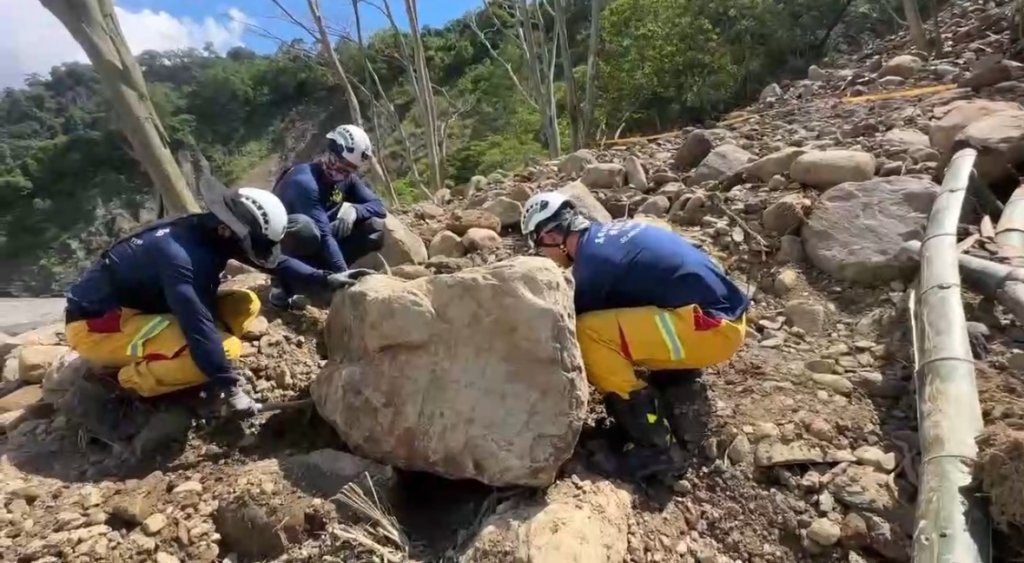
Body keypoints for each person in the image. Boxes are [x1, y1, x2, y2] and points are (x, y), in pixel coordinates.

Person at [64, 178, 372, 417]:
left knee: (246, 304)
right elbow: (196, 322)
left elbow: (273, 262)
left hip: (150, 304)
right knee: (225, 349)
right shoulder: (182, 259)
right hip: (99, 325)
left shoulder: (210, 230)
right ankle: (125, 381)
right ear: (229, 229)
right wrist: (228, 385)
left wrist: (325, 278)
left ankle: (190, 359)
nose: (251, 252)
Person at [521, 192, 750, 480]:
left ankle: (655, 448)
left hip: (712, 332)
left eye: (541, 247)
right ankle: (673, 379)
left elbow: (568, 326)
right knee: (616, 321)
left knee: (587, 334)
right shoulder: (610, 235)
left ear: (552, 237)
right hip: (724, 317)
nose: (546, 255)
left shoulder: (592, 266)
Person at [270, 124, 387, 309]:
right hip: (286, 246)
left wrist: (355, 210)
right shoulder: (304, 182)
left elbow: (378, 206)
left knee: (374, 227)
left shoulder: (347, 179)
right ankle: (284, 286)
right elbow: (324, 235)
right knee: (306, 229)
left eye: (350, 168)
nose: (342, 172)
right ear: (331, 152)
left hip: (321, 237)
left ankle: (322, 279)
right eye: (342, 163)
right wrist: (345, 275)